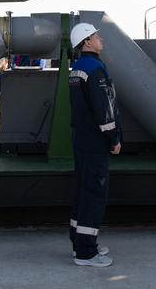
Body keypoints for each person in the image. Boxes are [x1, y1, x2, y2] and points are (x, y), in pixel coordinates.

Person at [67, 21, 119, 268]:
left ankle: (79, 242)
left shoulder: (77, 68)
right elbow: (104, 110)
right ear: (87, 41)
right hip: (95, 141)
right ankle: (86, 253)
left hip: (81, 139)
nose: (101, 39)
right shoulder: (96, 68)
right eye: (97, 36)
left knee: (82, 191)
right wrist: (114, 138)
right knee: (94, 194)